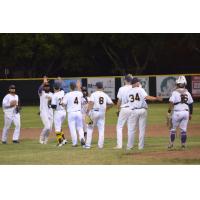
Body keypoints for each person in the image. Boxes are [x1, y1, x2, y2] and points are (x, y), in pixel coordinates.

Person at [126, 77, 163, 150]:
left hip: (133, 111)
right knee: (141, 129)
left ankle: (129, 147)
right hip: (142, 110)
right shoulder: (140, 89)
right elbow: (147, 97)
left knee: (131, 130)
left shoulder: (128, 91)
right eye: (138, 82)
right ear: (136, 83)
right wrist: (156, 98)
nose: (139, 83)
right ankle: (140, 147)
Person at [84, 82, 113, 149]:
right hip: (102, 113)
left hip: (94, 112)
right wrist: (106, 109)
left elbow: (91, 103)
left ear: (96, 87)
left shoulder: (93, 94)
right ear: (102, 87)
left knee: (90, 128)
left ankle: (88, 145)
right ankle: (100, 146)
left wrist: (87, 112)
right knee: (101, 129)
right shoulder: (105, 95)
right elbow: (111, 104)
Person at [167, 76, 193, 149]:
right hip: (186, 112)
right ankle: (183, 145)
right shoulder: (188, 93)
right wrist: (190, 114)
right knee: (183, 130)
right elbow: (191, 104)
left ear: (177, 84)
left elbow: (171, 102)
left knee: (173, 129)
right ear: (185, 84)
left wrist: (169, 111)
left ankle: (171, 144)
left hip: (177, 112)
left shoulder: (175, 92)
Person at [63, 82, 86, 147]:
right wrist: (79, 86)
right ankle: (82, 138)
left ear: (70, 87)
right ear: (75, 87)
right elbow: (81, 95)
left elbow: (64, 104)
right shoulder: (79, 93)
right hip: (79, 112)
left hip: (71, 113)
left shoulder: (67, 94)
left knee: (72, 128)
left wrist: (62, 104)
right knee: (80, 127)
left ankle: (75, 143)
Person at [114, 74, 133, 149]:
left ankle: (119, 145)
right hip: (132, 109)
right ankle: (129, 145)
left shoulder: (121, 89)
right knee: (130, 127)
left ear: (125, 80)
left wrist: (117, 109)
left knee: (119, 127)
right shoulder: (134, 88)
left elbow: (119, 101)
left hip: (124, 109)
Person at [38, 77, 53, 144]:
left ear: (49, 87)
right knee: (47, 126)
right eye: (45, 86)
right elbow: (39, 89)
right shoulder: (42, 93)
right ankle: (41, 138)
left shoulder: (52, 94)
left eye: (48, 86)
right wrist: (43, 83)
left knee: (50, 129)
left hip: (50, 112)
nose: (46, 87)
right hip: (43, 112)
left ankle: (46, 139)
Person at [51, 82, 67, 147]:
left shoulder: (54, 95)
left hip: (58, 112)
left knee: (57, 128)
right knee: (59, 127)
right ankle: (64, 140)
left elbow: (54, 107)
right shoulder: (62, 92)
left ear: (54, 88)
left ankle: (60, 142)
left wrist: (50, 104)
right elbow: (62, 89)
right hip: (64, 112)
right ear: (59, 88)